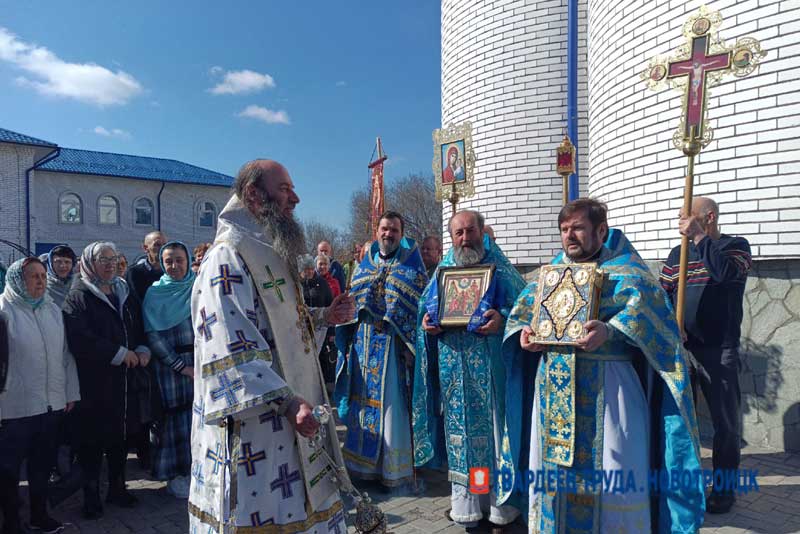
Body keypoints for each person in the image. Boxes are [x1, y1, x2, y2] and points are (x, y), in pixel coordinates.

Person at [499, 198, 704, 533]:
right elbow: (521, 315)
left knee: (614, 473)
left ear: (601, 230)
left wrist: (611, 330)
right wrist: (524, 335)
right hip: (553, 390)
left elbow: (656, 323)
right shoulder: (549, 274)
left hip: (609, 390)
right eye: (564, 230)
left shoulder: (628, 271)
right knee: (552, 478)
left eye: (578, 228)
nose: (570, 236)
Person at [189, 159, 354, 533]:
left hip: (291, 416)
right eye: (284, 189)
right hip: (257, 424)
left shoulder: (268, 252)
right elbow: (231, 347)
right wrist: (288, 400)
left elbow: (280, 328)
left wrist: (324, 317)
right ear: (253, 195)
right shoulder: (227, 257)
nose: (295, 198)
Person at [415, 211, 525, 530]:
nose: (465, 238)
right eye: (458, 233)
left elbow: (524, 307)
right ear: (451, 236)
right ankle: (470, 505)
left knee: (490, 438)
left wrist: (503, 320)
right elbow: (427, 308)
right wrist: (426, 325)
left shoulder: (499, 267)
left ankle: (499, 506)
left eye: (470, 231)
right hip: (454, 371)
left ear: (481, 231)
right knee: (462, 442)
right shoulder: (444, 269)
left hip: (490, 370)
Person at [660, 196, 751, 514]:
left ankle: (724, 490)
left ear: (708, 218)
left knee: (725, 423)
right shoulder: (676, 254)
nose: (682, 223)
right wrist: (672, 323)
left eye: (690, 218)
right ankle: (683, 484)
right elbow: (665, 294)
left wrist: (699, 238)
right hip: (683, 349)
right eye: (682, 219)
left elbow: (727, 275)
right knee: (679, 421)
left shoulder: (734, 247)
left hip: (718, 349)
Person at [334, 211, 428, 493]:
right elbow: (352, 304)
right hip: (364, 344)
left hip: (392, 348)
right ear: (377, 232)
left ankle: (392, 470)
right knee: (362, 405)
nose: (388, 234)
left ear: (402, 234)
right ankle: (362, 469)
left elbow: (417, 310)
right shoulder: (364, 267)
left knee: (391, 408)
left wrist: (400, 330)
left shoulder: (413, 269)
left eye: (394, 230)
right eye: (385, 229)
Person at [63, 242, 152, 519]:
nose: (111, 264)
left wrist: (141, 348)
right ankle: (91, 497)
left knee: (120, 439)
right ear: (89, 263)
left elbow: (137, 326)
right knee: (92, 443)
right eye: (103, 259)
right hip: (95, 383)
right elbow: (80, 339)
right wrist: (118, 353)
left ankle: (117, 487)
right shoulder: (78, 296)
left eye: (114, 259)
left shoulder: (123, 290)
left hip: (124, 383)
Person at [0, 257, 80, 534]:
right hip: (12, 408)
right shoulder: (4, 310)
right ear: (16, 280)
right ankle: (11, 522)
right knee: (8, 471)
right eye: (33, 276)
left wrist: (69, 392)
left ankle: (39, 515)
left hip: (50, 405)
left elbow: (64, 355)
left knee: (41, 466)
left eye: (43, 276)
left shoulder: (51, 309)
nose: (40, 281)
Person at [142, 242, 195, 499]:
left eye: (179, 260)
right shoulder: (155, 292)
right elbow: (153, 335)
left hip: (201, 363)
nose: (174, 266)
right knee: (176, 421)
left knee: (198, 418)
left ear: (188, 260)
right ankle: (175, 474)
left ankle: (197, 469)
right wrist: (181, 366)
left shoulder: (199, 287)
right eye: (168, 261)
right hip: (171, 367)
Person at [299, 254, 336, 391]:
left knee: (322, 359)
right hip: (303, 330)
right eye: (305, 269)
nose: (308, 272)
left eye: (310, 268)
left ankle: (324, 388)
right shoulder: (297, 284)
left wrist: (331, 330)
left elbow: (330, 305)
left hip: (322, 329)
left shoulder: (322, 283)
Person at [126, 231, 167, 303]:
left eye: (165, 245)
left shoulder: (170, 273)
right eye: (157, 245)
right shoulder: (134, 273)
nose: (162, 248)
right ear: (145, 248)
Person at [45, 245, 77, 309]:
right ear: (50, 263)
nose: (62, 265)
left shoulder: (78, 285)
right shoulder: (43, 286)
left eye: (67, 262)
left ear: (73, 264)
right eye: (58, 261)